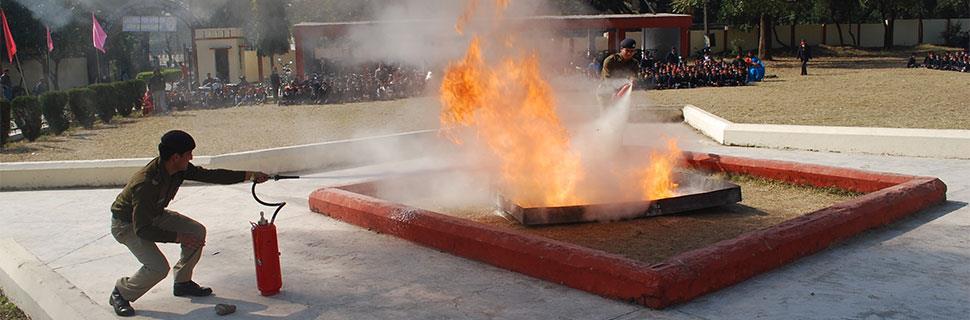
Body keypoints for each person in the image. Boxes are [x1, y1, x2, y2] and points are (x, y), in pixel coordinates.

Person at [108, 130, 270, 317]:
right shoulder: (145, 184)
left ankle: (182, 283)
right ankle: (121, 292)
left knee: (196, 231)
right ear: (176, 157)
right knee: (158, 268)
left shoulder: (176, 168)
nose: (192, 157)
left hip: (154, 215)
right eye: (189, 154)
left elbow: (211, 176)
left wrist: (250, 175)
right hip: (127, 225)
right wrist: (177, 237)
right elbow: (143, 229)